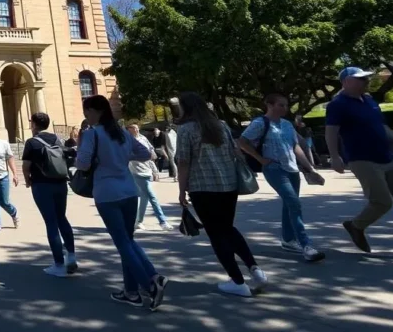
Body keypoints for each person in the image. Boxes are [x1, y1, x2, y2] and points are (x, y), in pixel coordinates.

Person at [76, 96, 168, 310]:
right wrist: (124, 156)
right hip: (128, 190)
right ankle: (132, 291)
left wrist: (92, 156)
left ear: (96, 111)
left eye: (87, 111)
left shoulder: (91, 134)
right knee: (128, 241)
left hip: (107, 193)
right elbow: (146, 153)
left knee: (123, 243)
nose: (86, 115)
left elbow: (81, 163)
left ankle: (150, 285)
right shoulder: (122, 133)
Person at [175, 92, 267, 297]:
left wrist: (181, 190)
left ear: (186, 108)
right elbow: (234, 152)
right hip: (228, 184)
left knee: (216, 235)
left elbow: (183, 162)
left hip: (202, 187)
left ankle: (237, 281)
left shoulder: (186, 129)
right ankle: (255, 269)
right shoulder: (221, 125)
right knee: (228, 228)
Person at [237, 93, 325, 262]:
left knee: (289, 204)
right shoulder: (259, 123)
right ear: (269, 105)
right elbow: (242, 142)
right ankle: (306, 244)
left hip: (292, 168)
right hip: (274, 169)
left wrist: (309, 168)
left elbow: (295, 146)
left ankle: (288, 240)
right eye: (281, 105)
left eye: (286, 105)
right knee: (294, 203)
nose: (285, 108)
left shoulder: (286, 125)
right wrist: (260, 159)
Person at [325, 67, 393, 253]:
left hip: (387, 156)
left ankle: (356, 226)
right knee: (382, 202)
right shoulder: (337, 104)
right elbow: (331, 131)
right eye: (361, 79)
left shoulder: (368, 100)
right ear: (346, 82)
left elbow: (381, 127)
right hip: (363, 159)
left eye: (366, 78)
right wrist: (334, 157)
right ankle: (356, 226)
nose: (366, 81)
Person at [22, 112, 78, 277]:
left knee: (51, 223)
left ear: (33, 124)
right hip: (60, 183)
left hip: (42, 185)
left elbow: (26, 166)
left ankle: (59, 265)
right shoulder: (56, 139)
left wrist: (27, 180)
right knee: (62, 218)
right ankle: (72, 256)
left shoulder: (32, 142)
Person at [128, 124, 173, 231]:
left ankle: (138, 221)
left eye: (137, 127)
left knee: (145, 197)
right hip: (137, 172)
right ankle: (162, 221)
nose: (136, 129)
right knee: (152, 196)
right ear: (129, 130)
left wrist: (154, 170)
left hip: (147, 170)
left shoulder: (143, 138)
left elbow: (151, 154)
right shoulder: (128, 142)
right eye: (133, 128)